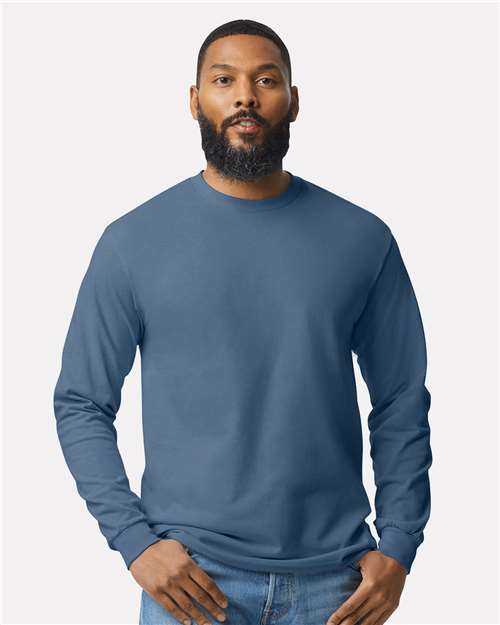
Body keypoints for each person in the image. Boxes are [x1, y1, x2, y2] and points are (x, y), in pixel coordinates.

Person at [53, 18, 432, 625]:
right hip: (191, 582)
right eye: (224, 80)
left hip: (336, 585)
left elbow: (400, 399)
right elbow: (80, 402)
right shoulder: (133, 242)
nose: (245, 97)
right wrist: (134, 542)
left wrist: (399, 546)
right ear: (195, 100)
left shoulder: (362, 238)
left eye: (266, 80)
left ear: (294, 101)